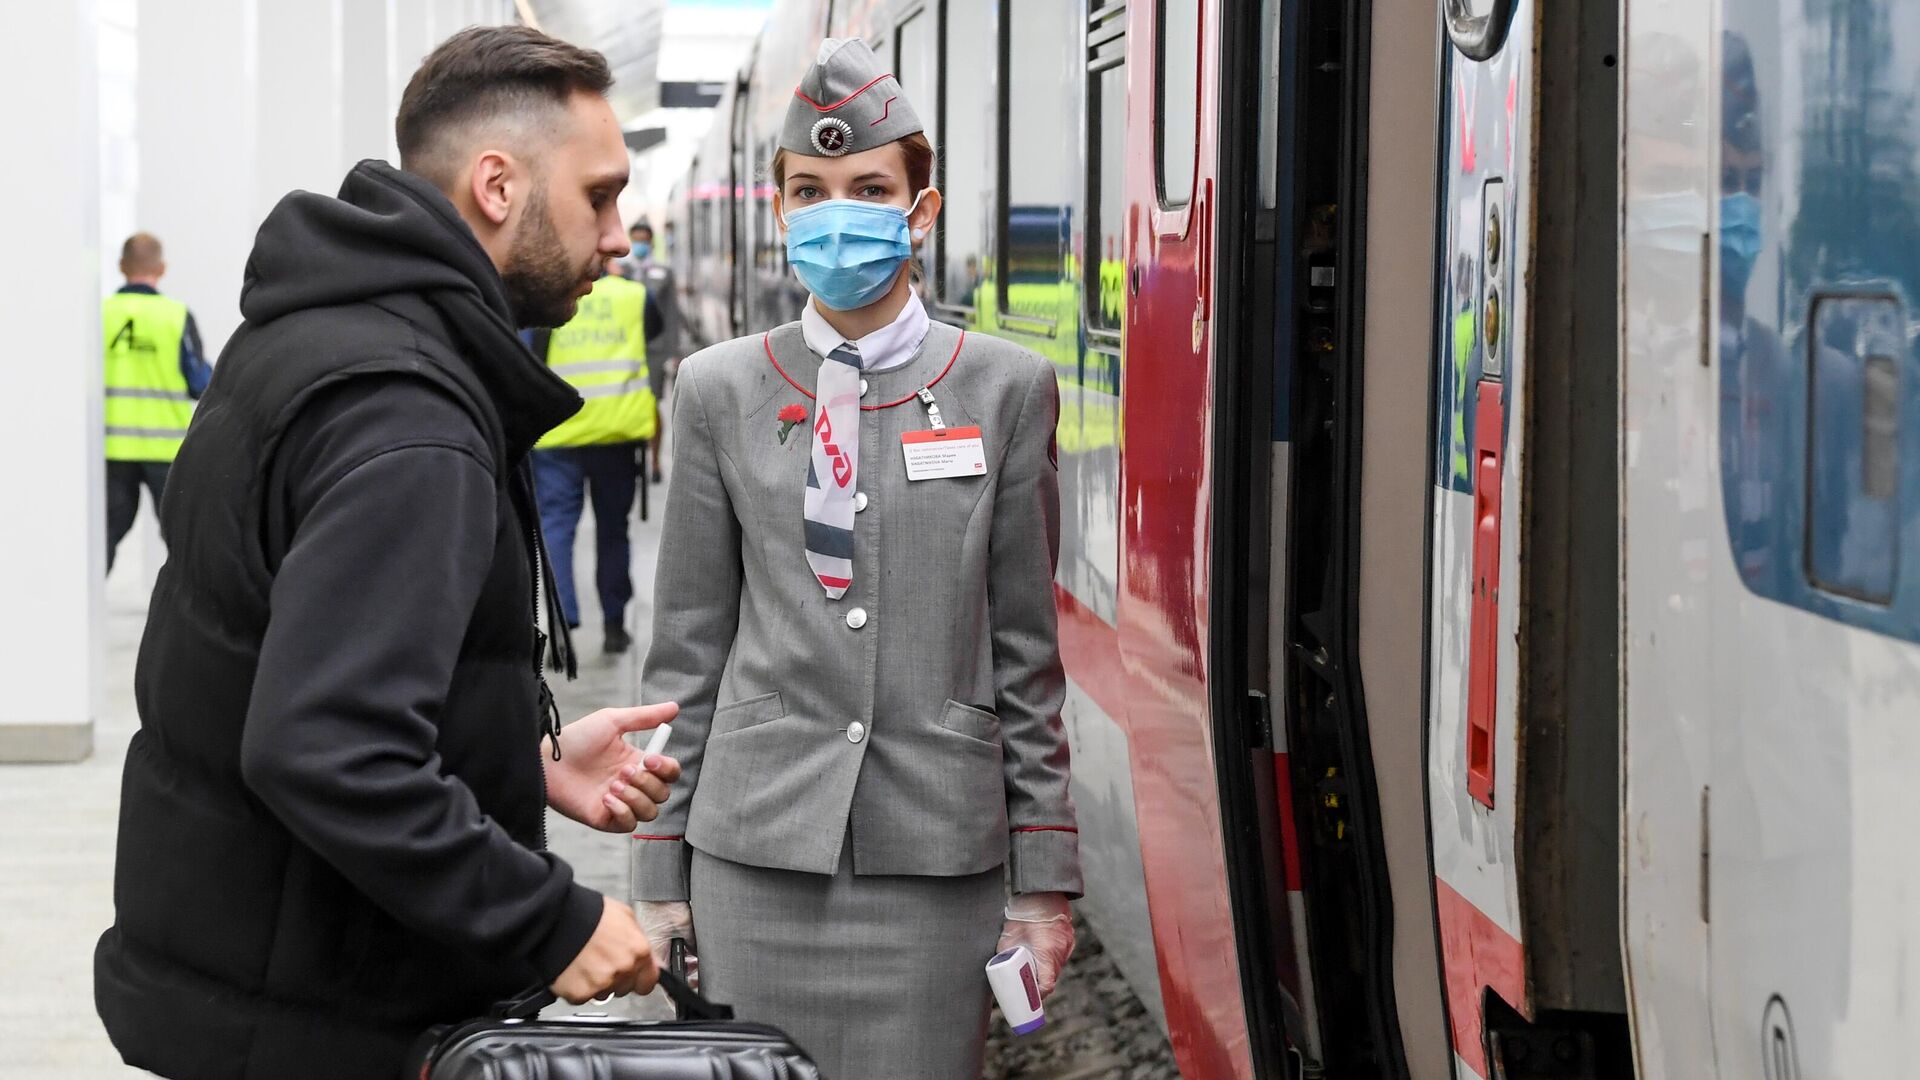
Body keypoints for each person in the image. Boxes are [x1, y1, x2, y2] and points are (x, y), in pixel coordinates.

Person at [94, 27, 682, 1079]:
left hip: (246, 977)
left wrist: (520, 755)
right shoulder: (410, 417)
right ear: (497, 185)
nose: (619, 237)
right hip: (320, 1015)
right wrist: (551, 920)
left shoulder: (320, 334)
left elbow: (296, 656)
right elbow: (325, 744)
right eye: (599, 196)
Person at [632, 39, 1079, 1080]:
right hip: (752, 854)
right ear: (782, 213)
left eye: (869, 188)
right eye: (812, 191)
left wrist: (1043, 884)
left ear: (919, 214)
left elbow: (1027, 654)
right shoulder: (716, 389)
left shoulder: (1004, 389)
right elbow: (686, 653)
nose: (840, 212)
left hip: (935, 863)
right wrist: (659, 874)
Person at [529, 256, 666, 653]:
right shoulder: (634, 296)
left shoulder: (546, 296)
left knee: (556, 527)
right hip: (615, 432)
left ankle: (560, 620)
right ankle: (613, 625)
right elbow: (652, 332)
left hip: (558, 432)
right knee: (612, 529)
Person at [102, 232, 211, 569]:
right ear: (161, 269)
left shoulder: (100, 315)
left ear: (121, 266)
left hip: (112, 448)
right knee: (181, 536)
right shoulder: (175, 316)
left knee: (105, 533)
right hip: (165, 450)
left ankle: (75, 613)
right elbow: (199, 382)